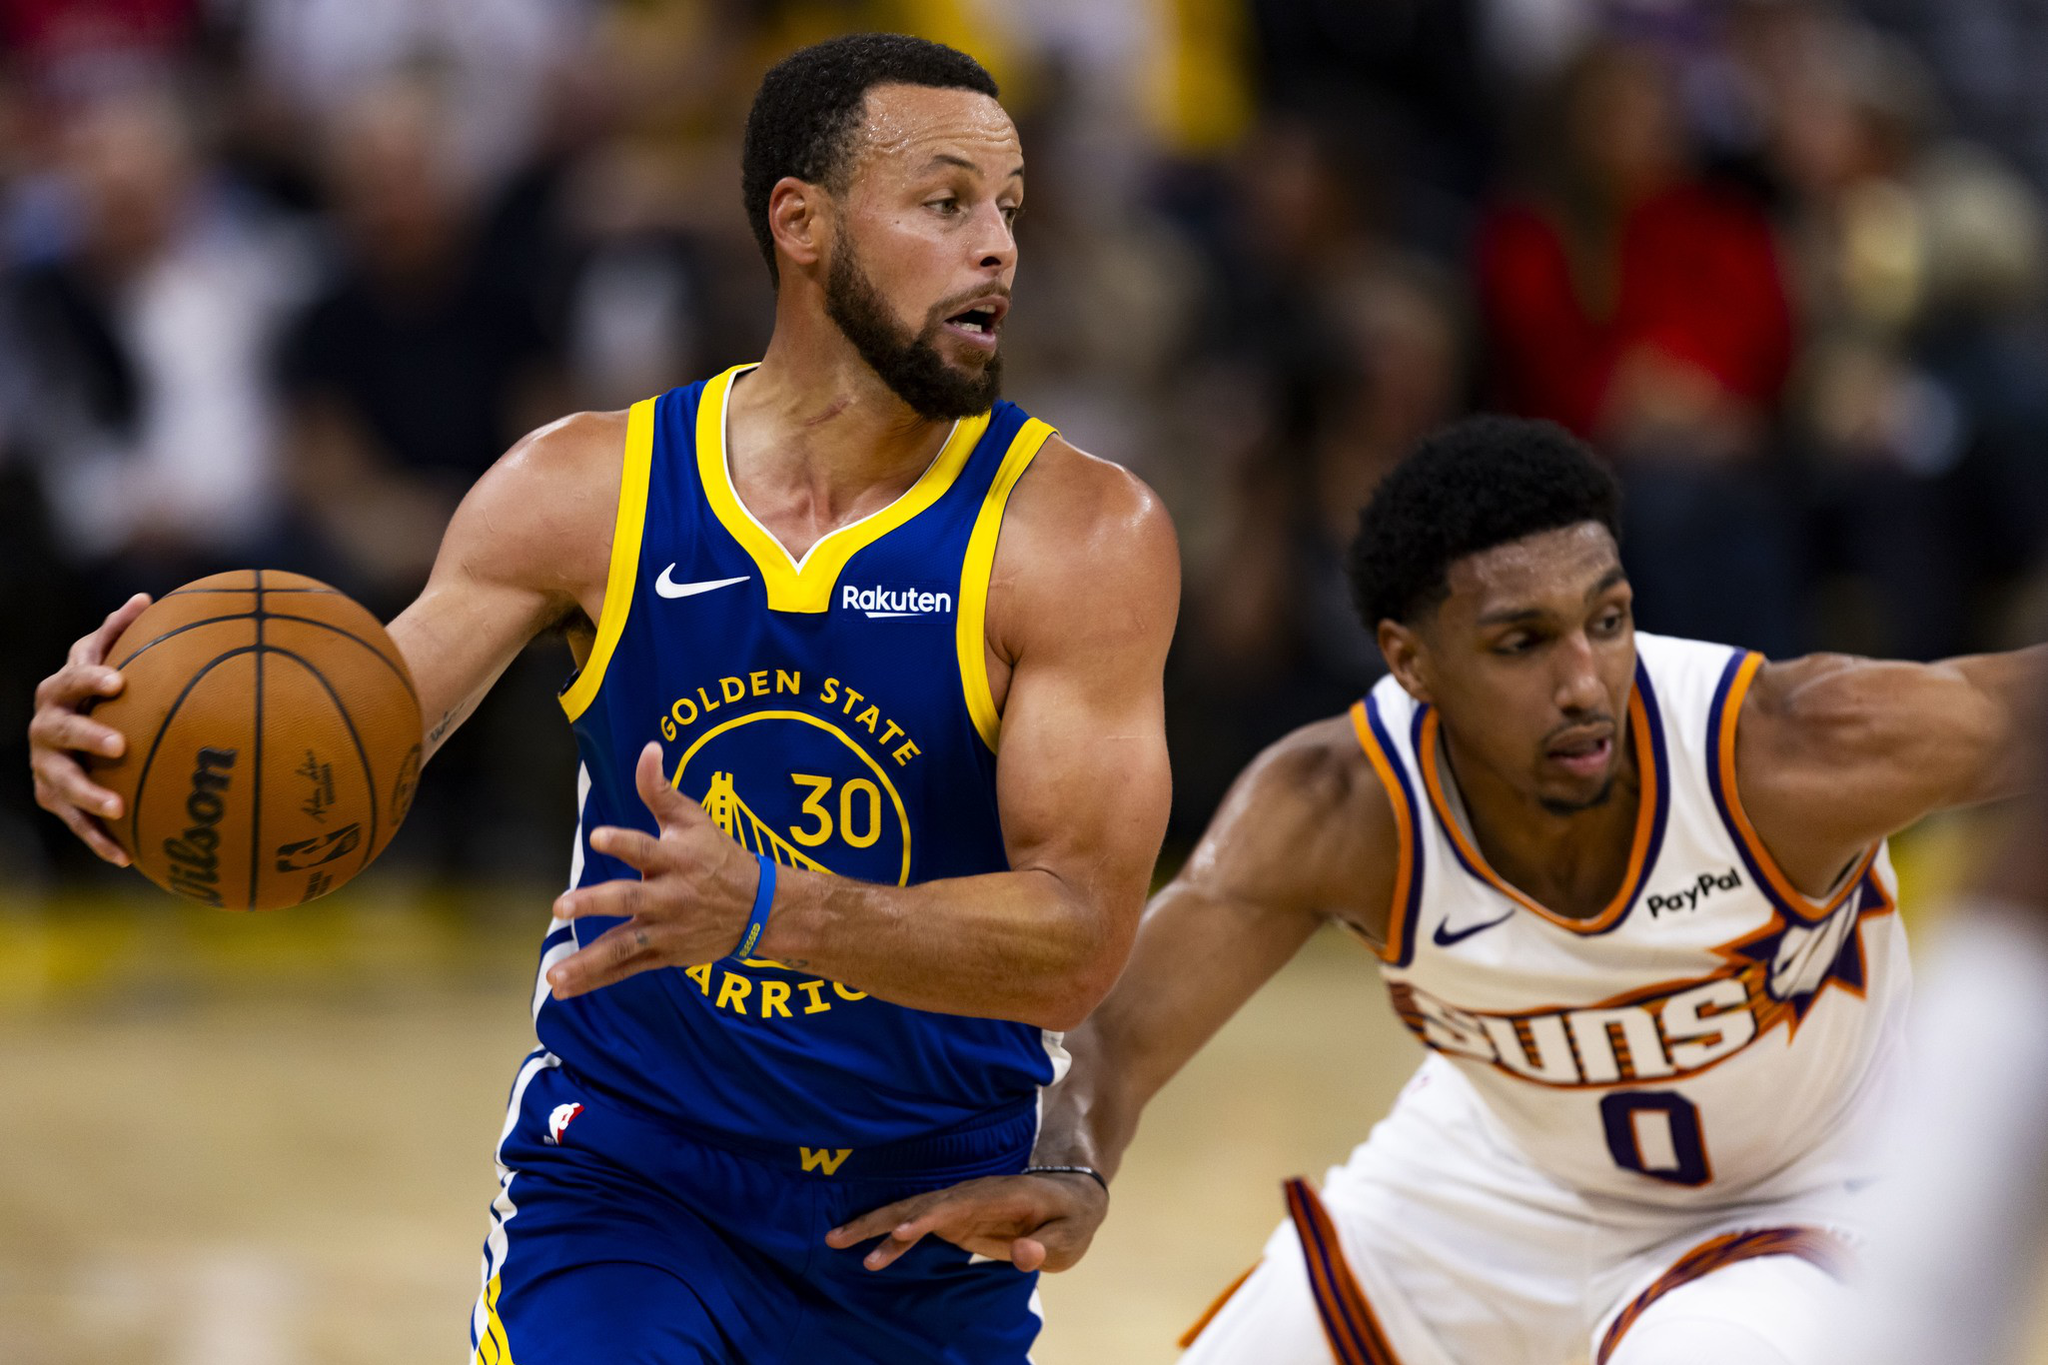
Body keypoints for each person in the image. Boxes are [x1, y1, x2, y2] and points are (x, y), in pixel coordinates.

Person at [27, 33, 1178, 1365]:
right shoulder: (586, 489)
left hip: (924, 1214)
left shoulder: (1082, 535)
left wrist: (768, 911)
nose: (998, 248)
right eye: (945, 202)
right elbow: (344, 744)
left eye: (1008, 207)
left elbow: (1081, 936)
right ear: (799, 224)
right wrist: (133, 747)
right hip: (629, 1182)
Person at [828, 416, 2043, 1365]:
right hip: (1489, 1184)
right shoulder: (1338, 806)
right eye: (1522, 644)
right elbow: (1115, 1031)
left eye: (1607, 621)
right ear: (1408, 661)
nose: (1584, 682)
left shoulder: (1787, 748)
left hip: (1785, 1200)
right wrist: (1071, 1161)